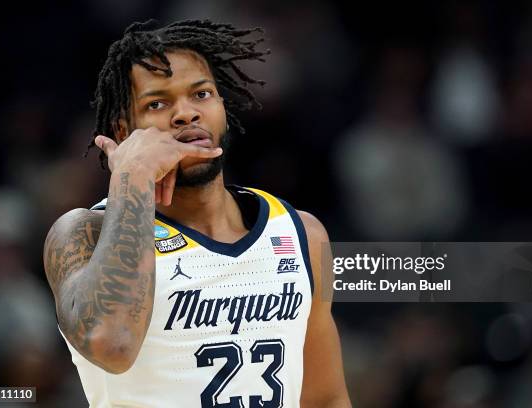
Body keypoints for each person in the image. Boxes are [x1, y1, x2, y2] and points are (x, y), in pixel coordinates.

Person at [43, 18, 351, 407]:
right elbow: (112, 345)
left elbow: (326, 399)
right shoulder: (82, 233)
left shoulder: (303, 234)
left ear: (222, 106)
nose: (185, 114)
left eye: (201, 95)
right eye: (157, 103)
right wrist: (133, 175)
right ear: (124, 132)